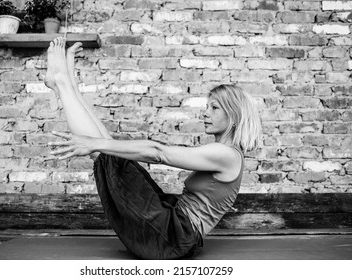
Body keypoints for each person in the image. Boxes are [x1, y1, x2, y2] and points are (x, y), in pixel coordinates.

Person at [45, 37, 262, 259]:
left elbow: (159, 153)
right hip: (172, 223)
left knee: (104, 152)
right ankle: (68, 86)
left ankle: (62, 85)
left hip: (171, 237)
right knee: (113, 154)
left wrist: (91, 144)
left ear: (234, 117)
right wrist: (97, 144)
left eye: (214, 108)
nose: (205, 113)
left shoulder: (226, 155)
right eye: (207, 107)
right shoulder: (224, 151)